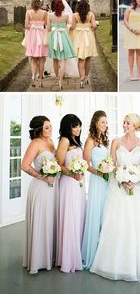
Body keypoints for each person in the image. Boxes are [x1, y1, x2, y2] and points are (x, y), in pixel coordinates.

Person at [90, 113, 140, 282]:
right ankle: (114, 265)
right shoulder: (116, 142)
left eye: (128, 123)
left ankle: (137, 265)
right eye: (123, 122)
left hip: (138, 189)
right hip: (119, 187)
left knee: (138, 226)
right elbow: (112, 164)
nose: (124, 125)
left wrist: (135, 180)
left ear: (136, 125)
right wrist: (122, 181)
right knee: (118, 224)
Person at [21, 115, 58, 274]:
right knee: (41, 220)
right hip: (40, 188)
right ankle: (38, 259)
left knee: (50, 219)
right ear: (39, 130)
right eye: (47, 127)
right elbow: (24, 165)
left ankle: (50, 256)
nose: (50, 130)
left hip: (53, 187)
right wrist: (43, 176)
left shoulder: (50, 141)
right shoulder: (35, 143)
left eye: (50, 126)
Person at [56, 113, 86, 273]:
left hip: (78, 183)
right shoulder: (65, 140)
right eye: (75, 126)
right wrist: (72, 174)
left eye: (79, 125)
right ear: (68, 127)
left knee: (78, 216)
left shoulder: (75, 140)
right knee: (70, 218)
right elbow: (58, 164)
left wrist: (80, 172)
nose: (78, 129)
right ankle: (68, 258)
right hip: (68, 183)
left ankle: (77, 252)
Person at [82, 111, 110, 268]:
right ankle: (92, 253)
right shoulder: (90, 140)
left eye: (106, 122)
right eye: (102, 122)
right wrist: (100, 173)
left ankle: (104, 252)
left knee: (105, 213)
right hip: (97, 181)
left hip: (107, 181)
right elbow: (86, 164)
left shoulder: (105, 140)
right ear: (95, 123)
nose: (105, 125)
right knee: (96, 212)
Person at [47, 0, 76, 89]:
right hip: (63, 37)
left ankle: (56, 77)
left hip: (53, 37)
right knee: (62, 60)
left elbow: (48, 28)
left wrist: (54, 27)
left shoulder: (50, 15)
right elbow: (71, 27)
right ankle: (60, 81)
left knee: (55, 59)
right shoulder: (66, 16)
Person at [70, 0, 98, 86]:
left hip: (78, 37)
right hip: (88, 36)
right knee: (88, 58)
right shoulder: (91, 14)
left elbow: (73, 27)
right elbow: (94, 25)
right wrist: (93, 28)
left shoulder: (74, 15)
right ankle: (86, 77)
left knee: (80, 58)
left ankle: (81, 77)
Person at [124, 0, 140, 80]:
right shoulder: (129, 9)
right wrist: (132, 29)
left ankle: (138, 72)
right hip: (131, 32)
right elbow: (125, 21)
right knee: (130, 52)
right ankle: (131, 72)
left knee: (139, 52)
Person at [25, 0, 48, 86]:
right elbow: (46, 25)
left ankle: (33, 77)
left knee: (34, 59)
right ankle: (41, 80)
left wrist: (33, 26)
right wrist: (40, 26)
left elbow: (26, 26)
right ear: (40, 3)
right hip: (41, 36)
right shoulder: (44, 13)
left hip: (33, 37)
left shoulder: (28, 12)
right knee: (42, 59)